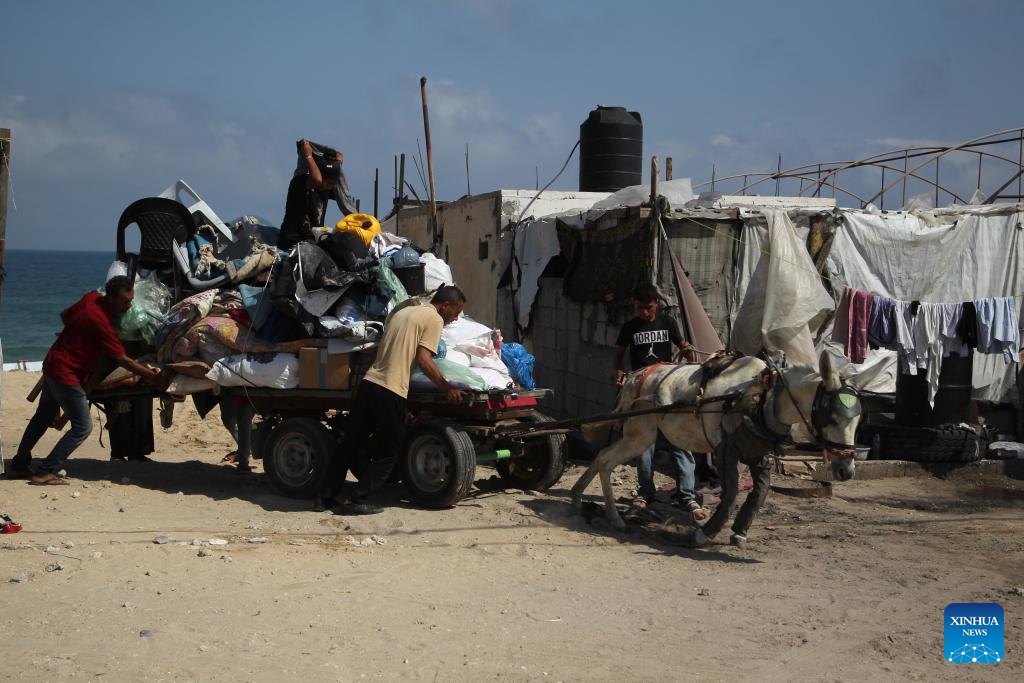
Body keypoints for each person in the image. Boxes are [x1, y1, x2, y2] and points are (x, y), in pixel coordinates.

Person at [317, 285, 467, 515]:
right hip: (391, 389)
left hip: (369, 384)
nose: (454, 319)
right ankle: (359, 497)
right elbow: (424, 360)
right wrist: (447, 388)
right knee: (392, 450)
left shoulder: (403, 312)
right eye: (455, 313)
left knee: (350, 443)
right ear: (445, 305)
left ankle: (324, 497)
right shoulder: (433, 320)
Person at [5, 276, 164, 484]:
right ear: (111, 299)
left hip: (53, 363)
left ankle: (18, 465)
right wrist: (150, 375)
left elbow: (66, 316)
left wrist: (79, 338)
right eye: (125, 301)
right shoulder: (101, 322)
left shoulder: (91, 298)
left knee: (42, 417)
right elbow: (121, 359)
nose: (129, 305)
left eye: (131, 300)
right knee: (82, 427)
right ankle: (46, 471)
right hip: (66, 373)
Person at [614, 283, 706, 522]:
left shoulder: (667, 323)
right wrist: (619, 372)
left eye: (650, 307)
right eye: (641, 308)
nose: (646, 312)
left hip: (667, 391)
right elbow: (618, 355)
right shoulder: (630, 328)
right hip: (643, 392)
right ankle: (645, 493)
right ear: (635, 306)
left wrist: (688, 354)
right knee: (644, 447)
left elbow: (683, 346)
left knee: (680, 442)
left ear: (657, 304)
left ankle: (688, 495)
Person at [277, 139, 355, 251]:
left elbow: (344, 192)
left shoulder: (326, 189)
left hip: (312, 243)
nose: (331, 187)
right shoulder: (300, 183)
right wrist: (308, 156)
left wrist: (338, 166)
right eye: (330, 183)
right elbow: (317, 180)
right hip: (292, 241)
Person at [220, 397, 254, 474]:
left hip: (244, 392)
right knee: (229, 420)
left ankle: (244, 461)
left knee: (242, 418)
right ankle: (244, 451)